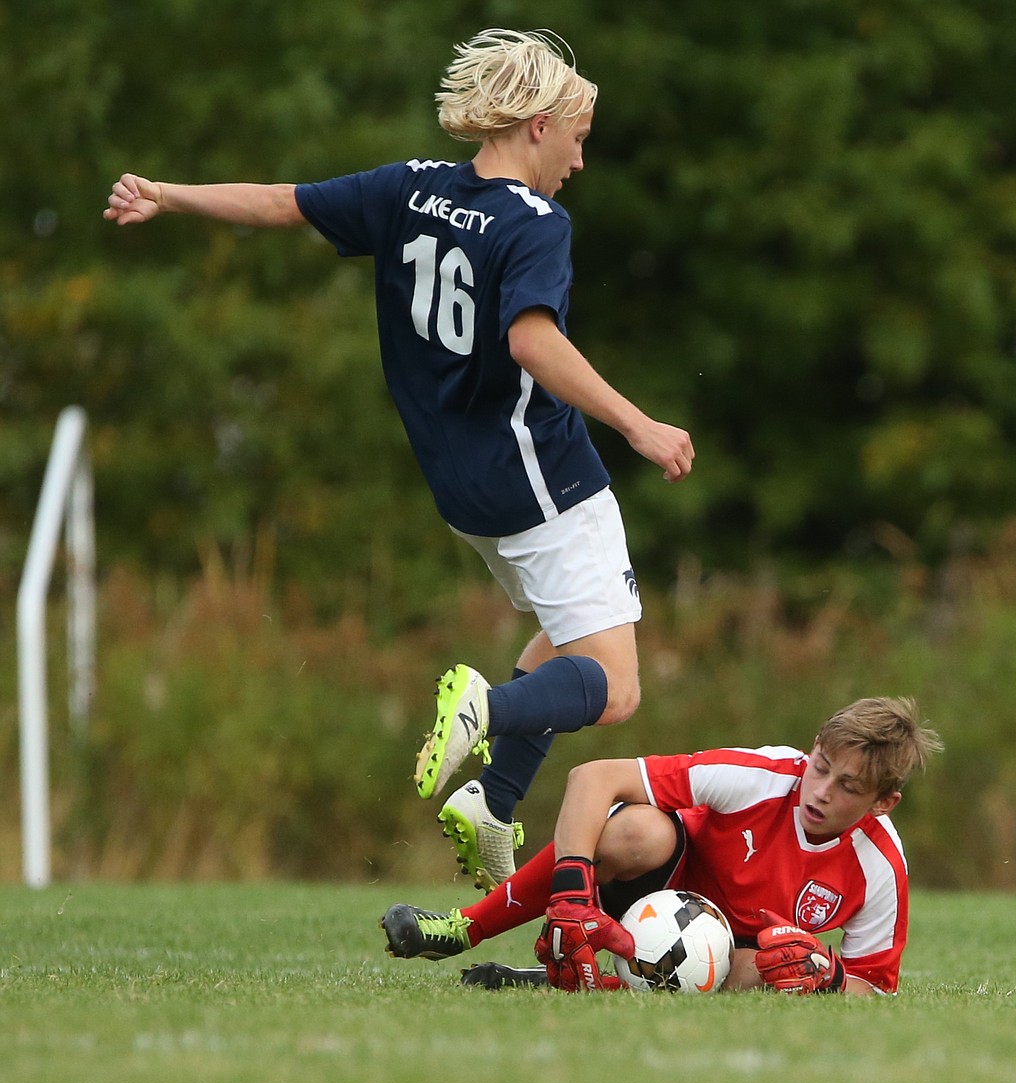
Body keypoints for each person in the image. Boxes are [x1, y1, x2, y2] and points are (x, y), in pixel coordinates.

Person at [103, 29, 694, 893]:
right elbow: (531, 340)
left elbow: (282, 202)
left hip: (462, 491)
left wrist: (168, 195)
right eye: (577, 136)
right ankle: (484, 711)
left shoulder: (408, 189)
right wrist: (637, 423)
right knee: (613, 688)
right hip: (545, 481)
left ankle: (492, 804)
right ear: (537, 125)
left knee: (570, 638)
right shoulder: (535, 223)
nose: (577, 158)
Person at [380, 696, 943, 994]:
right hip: (661, 878)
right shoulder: (760, 776)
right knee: (634, 830)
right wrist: (572, 898)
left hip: (731, 953)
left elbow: (873, 991)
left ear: (882, 802)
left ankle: (578, 983)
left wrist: (832, 977)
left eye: (848, 788)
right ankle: (464, 928)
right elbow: (593, 778)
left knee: (767, 970)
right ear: (814, 747)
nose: (819, 791)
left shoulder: (881, 866)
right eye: (821, 768)